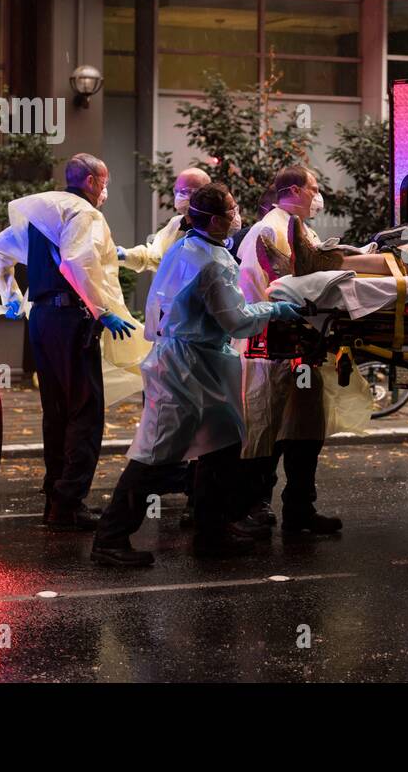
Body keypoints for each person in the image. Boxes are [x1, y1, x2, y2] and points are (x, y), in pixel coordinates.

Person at [91, 183, 303, 567]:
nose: (239, 215)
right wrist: (274, 309)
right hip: (188, 367)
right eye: (234, 209)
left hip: (190, 361)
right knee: (155, 454)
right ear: (220, 219)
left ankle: (213, 530)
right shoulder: (214, 262)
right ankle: (111, 538)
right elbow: (237, 321)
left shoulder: (185, 248)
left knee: (221, 446)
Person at [0, 154, 138, 532]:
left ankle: (55, 498)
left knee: (55, 411)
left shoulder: (42, 212)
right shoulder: (83, 214)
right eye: (103, 182)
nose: (105, 190)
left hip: (41, 319)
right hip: (72, 318)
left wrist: (12, 297)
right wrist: (102, 311)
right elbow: (75, 263)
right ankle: (68, 503)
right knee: (84, 412)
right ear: (89, 182)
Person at [235, 165, 345, 535]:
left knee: (304, 427)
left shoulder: (301, 230)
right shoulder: (266, 231)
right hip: (268, 345)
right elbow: (253, 287)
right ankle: (254, 507)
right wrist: (278, 315)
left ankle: (300, 508)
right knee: (266, 427)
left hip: (301, 345)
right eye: (314, 188)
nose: (318, 195)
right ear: (295, 190)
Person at [117, 167, 211, 274]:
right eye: (176, 191)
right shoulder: (176, 224)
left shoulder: (215, 228)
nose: (179, 196)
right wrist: (126, 255)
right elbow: (153, 257)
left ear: (206, 194)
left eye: (186, 192)